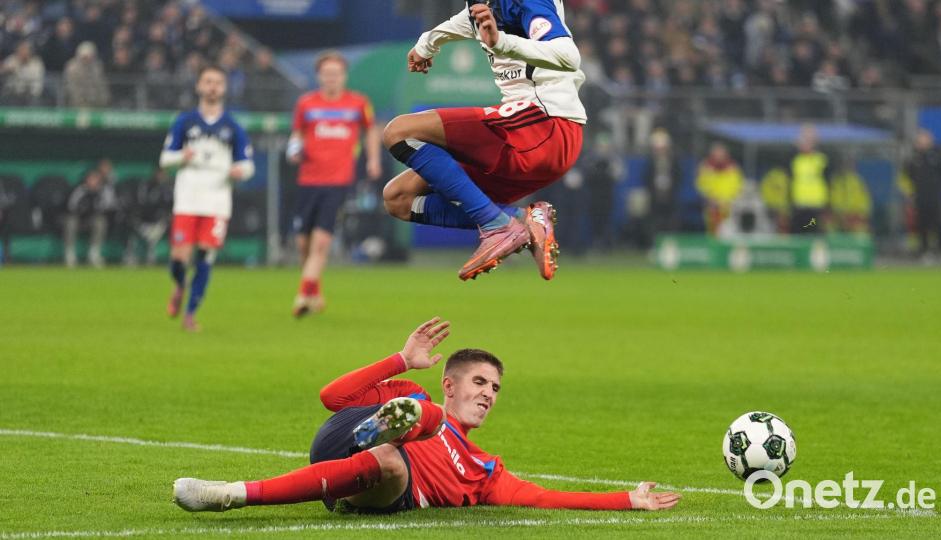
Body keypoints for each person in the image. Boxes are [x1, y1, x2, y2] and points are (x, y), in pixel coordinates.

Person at [173, 318, 681, 514]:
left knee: (393, 460)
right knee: (417, 413)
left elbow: (546, 497)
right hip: (338, 439)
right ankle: (388, 429)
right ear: (451, 382)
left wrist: (627, 501)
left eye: (495, 389)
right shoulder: (409, 389)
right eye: (479, 383)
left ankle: (231, 494)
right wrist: (399, 359)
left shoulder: (485, 472)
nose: (488, 395)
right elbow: (331, 397)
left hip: (382, 485)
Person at [381, 1, 587, 281]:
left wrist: (501, 42)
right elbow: (461, 22)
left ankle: (497, 225)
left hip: (546, 123)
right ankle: (520, 220)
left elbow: (568, 56)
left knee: (399, 132)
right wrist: (426, 45)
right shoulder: (481, 5)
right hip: (534, 144)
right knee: (398, 199)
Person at [159, 65, 254, 332]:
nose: (212, 87)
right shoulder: (184, 122)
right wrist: (181, 157)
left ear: (224, 89)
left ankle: (190, 314)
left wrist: (240, 171)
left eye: (217, 83)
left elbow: (247, 165)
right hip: (188, 198)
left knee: (205, 256)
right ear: (199, 86)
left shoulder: (233, 126)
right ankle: (179, 284)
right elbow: (165, 159)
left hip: (217, 201)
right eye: (208, 82)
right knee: (179, 257)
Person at [286, 50, 381, 317]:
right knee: (303, 243)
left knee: (320, 242)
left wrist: (373, 159)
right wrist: (294, 149)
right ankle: (314, 293)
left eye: (336, 73)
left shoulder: (358, 103)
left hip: (338, 181)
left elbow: (371, 129)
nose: (331, 78)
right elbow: (297, 134)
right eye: (326, 74)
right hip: (307, 180)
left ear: (344, 76)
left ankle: (302, 295)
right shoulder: (306, 104)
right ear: (319, 76)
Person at [905, 129, 941, 257]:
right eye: (920, 139)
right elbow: (908, 175)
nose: (922, 142)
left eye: (925, 139)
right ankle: (923, 250)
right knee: (921, 224)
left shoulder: (937, 155)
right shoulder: (914, 158)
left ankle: (940, 249)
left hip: (935, 197)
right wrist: (910, 194)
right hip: (920, 197)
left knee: (938, 223)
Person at [63, 168, 117, 268]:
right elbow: (70, 207)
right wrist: (83, 209)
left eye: (95, 179)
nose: (92, 181)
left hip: (92, 221)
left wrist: (95, 207)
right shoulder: (79, 190)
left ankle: (93, 254)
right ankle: (69, 254)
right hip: (78, 220)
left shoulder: (104, 190)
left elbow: (110, 207)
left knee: (100, 222)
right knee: (70, 221)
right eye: (90, 178)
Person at [788, 125, 830, 234]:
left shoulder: (821, 159)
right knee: (797, 233)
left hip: (816, 205)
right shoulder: (794, 159)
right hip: (798, 204)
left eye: (809, 139)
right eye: (804, 139)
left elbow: (828, 180)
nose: (806, 142)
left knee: (813, 230)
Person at [695, 142, 744, 235]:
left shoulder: (733, 169)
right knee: (713, 233)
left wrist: (730, 201)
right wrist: (710, 198)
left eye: (721, 154)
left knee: (728, 233)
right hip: (712, 208)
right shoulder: (705, 168)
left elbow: (738, 187)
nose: (719, 156)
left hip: (730, 209)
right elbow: (701, 186)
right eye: (717, 153)